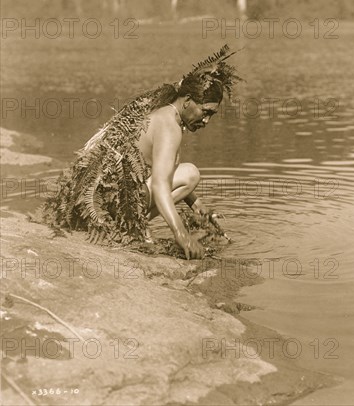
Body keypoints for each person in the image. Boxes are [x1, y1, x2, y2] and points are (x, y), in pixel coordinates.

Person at [40, 45, 241, 260]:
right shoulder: (169, 127)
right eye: (206, 112)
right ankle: (135, 226)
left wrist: (197, 205)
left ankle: (136, 224)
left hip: (106, 201)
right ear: (188, 101)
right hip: (116, 205)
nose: (206, 120)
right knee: (191, 173)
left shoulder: (162, 112)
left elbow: (161, 171)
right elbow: (159, 184)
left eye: (211, 115)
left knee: (183, 174)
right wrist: (181, 234)